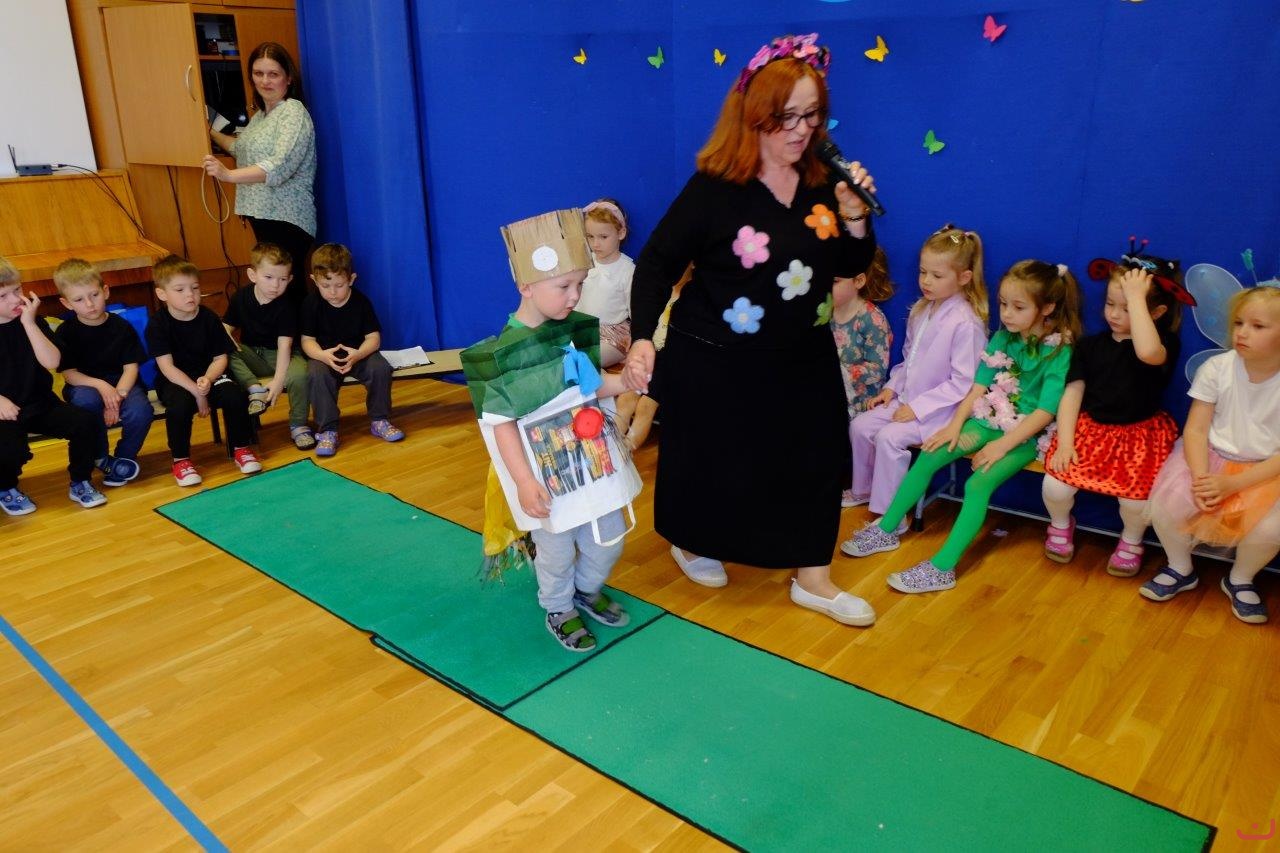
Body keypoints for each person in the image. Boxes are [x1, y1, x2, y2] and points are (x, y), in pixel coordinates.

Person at [623, 33, 879, 626]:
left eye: (811, 115)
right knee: (714, 458)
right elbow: (657, 262)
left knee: (816, 456)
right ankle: (693, 541)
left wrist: (855, 216)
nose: (800, 130)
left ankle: (813, 578)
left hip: (802, 351)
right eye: (786, 117)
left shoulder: (825, 183)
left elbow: (848, 264)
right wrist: (640, 337)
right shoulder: (715, 188)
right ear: (754, 115)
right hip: (714, 353)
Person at [844, 260, 1083, 594]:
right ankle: (886, 530)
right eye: (1003, 304)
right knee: (930, 454)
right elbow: (977, 389)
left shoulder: (1059, 351)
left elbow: (1044, 412)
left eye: (1018, 307)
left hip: (1023, 436)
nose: (1006, 314)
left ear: (1047, 308)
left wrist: (1000, 446)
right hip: (986, 419)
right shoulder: (1003, 337)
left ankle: (943, 567)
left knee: (977, 484)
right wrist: (955, 426)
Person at [463, 209, 636, 652]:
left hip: (592, 461)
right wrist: (524, 482)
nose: (575, 296)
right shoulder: (504, 354)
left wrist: (626, 382)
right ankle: (558, 605)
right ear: (526, 285)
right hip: (545, 473)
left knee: (609, 539)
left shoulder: (573, 332)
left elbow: (591, 387)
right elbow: (501, 426)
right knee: (556, 549)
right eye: (564, 286)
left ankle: (586, 590)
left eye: (580, 284)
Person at [1141, 285, 1280, 623]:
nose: (1242, 333)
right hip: (1208, 458)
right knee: (1165, 506)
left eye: (1258, 326)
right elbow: (1195, 430)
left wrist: (1235, 484)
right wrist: (1201, 478)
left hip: (1265, 470)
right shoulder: (1217, 368)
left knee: (1272, 530)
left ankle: (1240, 578)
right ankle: (1180, 567)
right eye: (1239, 323)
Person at [1041, 253, 1185, 576]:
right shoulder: (1090, 346)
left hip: (1140, 438)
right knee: (1055, 486)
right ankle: (1060, 525)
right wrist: (1066, 443)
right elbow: (1072, 395)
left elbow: (1147, 352)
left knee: (1135, 503)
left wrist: (1137, 297)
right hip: (1091, 432)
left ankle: (1131, 540)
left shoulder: (1164, 344)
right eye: (1110, 304)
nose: (1115, 314)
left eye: (1128, 307)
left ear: (1157, 312)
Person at [845, 226, 987, 525]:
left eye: (937, 275)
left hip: (940, 412)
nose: (926, 281)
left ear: (964, 277)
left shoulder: (966, 322)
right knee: (860, 426)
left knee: (890, 438)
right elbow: (909, 360)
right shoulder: (921, 311)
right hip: (907, 400)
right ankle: (864, 489)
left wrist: (918, 408)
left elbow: (963, 383)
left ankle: (891, 516)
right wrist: (892, 388)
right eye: (923, 272)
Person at [203, 42, 316, 306]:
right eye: (258, 73)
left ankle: (299, 334)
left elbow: (279, 165)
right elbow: (239, 148)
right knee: (273, 291)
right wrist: (209, 131)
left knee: (285, 290)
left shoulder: (292, 111)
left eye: (273, 74)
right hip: (263, 214)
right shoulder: (261, 116)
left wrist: (228, 175)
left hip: (286, 217)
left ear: (288, 78)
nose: (265, 81)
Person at [0, 256, 107, 513]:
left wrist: (28, 324)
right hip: (4, 411)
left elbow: (52, 361)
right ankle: (5, 487)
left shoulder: (34, 322)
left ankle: (80, 481)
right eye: (3, 296)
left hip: (40, 403)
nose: (16, 300)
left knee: (84, 422)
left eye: (17, 290)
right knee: (9, 449)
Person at [146, 255, 262, 486]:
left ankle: (241, 448)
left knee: (234, 396)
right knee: (179, 407)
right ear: (162, 294)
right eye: (180, 289)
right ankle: (181, 461)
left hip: (211, 374)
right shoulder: (158, 324)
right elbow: (167, 367)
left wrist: (208, 379)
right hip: (176, 381)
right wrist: (197, 392)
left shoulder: (209, 318)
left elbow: (220, 358)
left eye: (195, 288)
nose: (190, 295)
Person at [53, 258, 153, 486]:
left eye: (94, 295)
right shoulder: (66, 331)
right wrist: (102, 387)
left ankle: (123, 459)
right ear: (66, 303)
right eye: (79, 299)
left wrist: (116, 398)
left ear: (105, 291)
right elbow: (69, 374)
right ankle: (101, 457)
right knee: (86, 404)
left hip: (124, 384)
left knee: (140, 412)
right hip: (85, 385)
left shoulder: (121, 326)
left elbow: (131, 368)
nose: (90, 304)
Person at [300, 243, 402, 457]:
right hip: (324, 357)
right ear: (314, 281)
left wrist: (358, 355)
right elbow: (307, 341)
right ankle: (328, 430)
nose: (332, 292)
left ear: (351, 279)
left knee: (380, 368)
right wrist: (322, 356)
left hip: (359, 354)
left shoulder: (361, 302)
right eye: (325, 286)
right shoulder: (311, 303)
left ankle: (379, 420)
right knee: (316, 374)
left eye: (339, 285)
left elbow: (373, 338)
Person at [223, 243, 314, 449]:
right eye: (269, 277)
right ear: (252, 275)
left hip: (283, 355)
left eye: (282, 279)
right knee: (225, 350)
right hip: (253, 355)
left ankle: (299, 425)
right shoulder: (240, 297)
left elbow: (285, 347)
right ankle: (254, 388)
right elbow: (226, 326)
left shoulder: (287, 305)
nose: (275, 285)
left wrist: (279, 380)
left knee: (300, 376)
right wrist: (225, 334)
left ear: (290, 279)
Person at [579, 199, 635, 368]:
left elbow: (635, 308)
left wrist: (638, 340)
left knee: (586, 361)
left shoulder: (627, 270)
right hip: (581, 329)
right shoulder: (584, 261)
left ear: (621, 233)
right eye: (590, 236)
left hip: (613, 334)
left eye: (603, 237)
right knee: (555, 354)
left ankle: (610, 377)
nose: (595, 244)